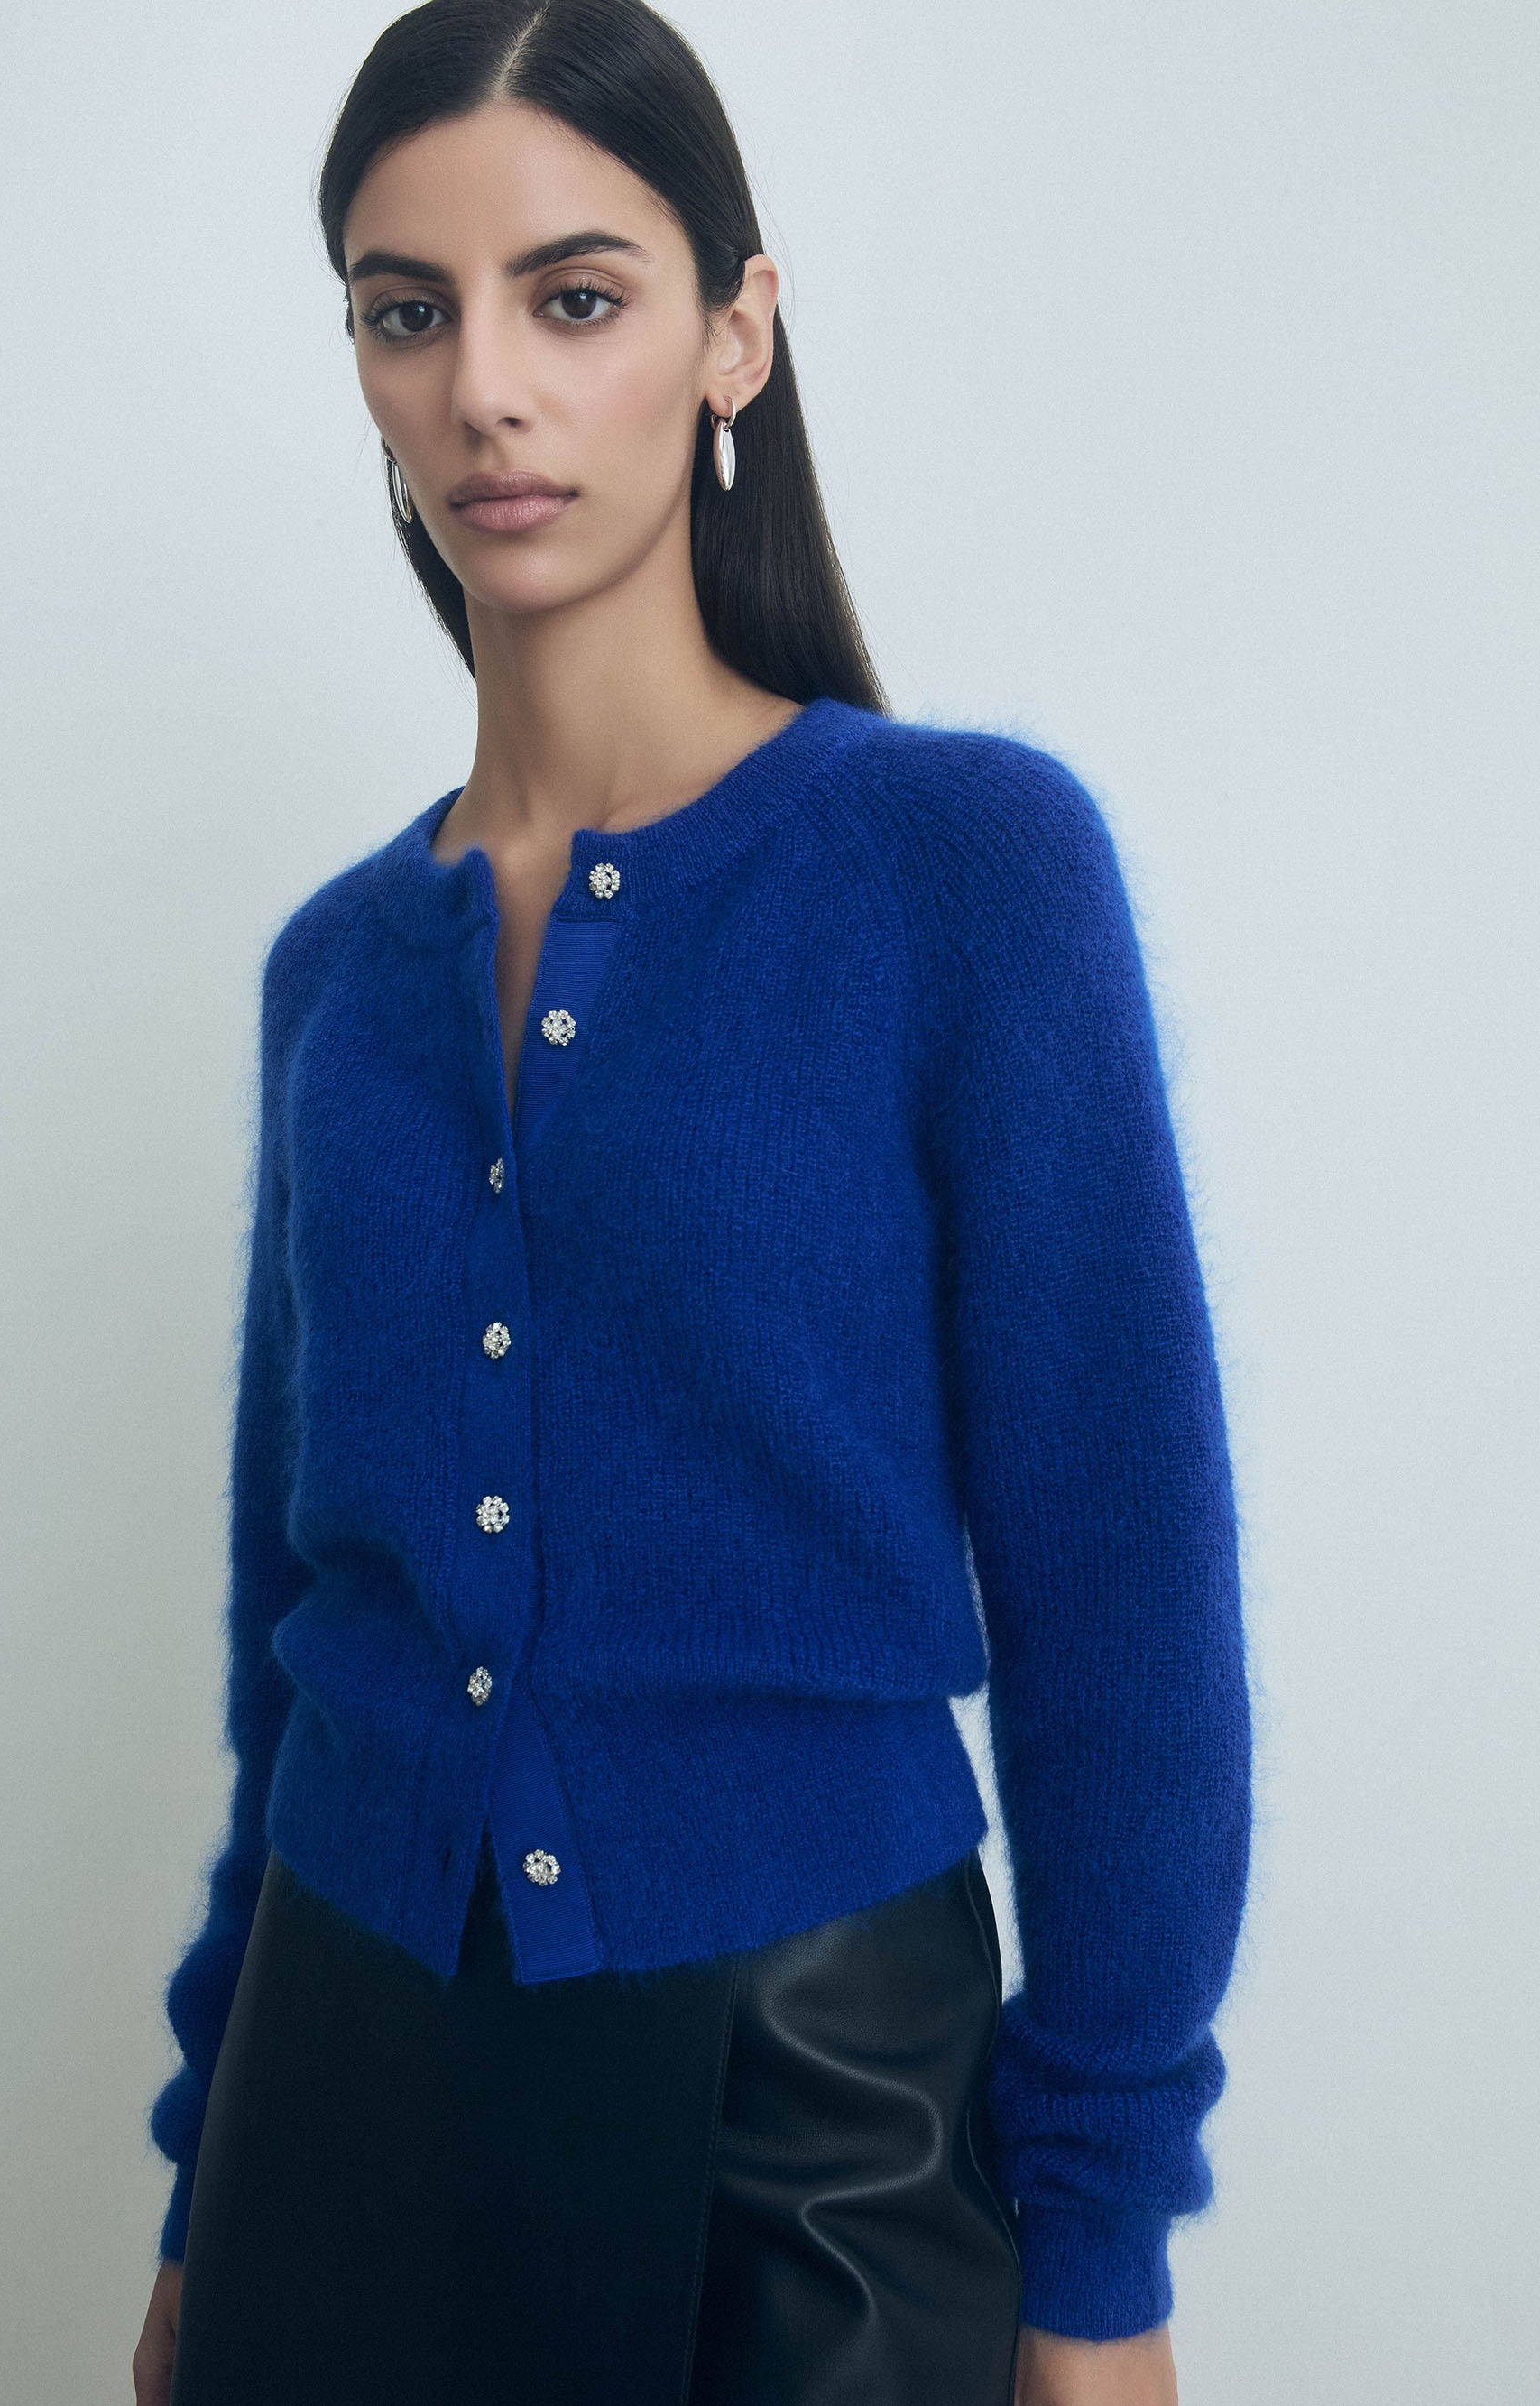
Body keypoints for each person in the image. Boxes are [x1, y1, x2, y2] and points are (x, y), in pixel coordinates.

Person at [132, 4, 1251, 2401]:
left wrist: (1101, 2246)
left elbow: (1122, 1607)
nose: (486, 395)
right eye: (405, 313)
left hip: (817, 2100)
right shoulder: (338, 969)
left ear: (735, 328)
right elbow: (287, 1631)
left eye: (577, 295)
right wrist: (204, 2164)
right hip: (335, 2081)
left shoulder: (964, 869)